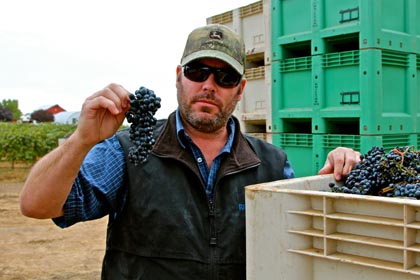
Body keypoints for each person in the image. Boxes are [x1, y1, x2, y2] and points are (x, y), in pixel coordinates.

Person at [20, 24, 360, 279]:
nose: (209, 85)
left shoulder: (271, 163)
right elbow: (37, 205)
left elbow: (305, 239)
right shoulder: (128, 150)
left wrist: (340, 177)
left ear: (240, 90)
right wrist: (81, 139)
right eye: (198, 72)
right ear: (179, 76)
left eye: (225, 77)